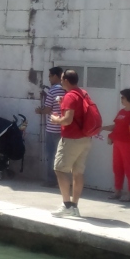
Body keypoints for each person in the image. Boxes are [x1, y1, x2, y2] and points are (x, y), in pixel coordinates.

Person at [50, 69, 94, 218]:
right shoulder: (82, 93)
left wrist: (56, 120)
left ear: (66, 81)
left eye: (62, 79)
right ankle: (74, 207)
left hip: (71, 139)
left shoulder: (70, 96)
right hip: (85, 138)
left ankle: (66, 205)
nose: (60, 81)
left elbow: (68, 120)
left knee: (59, 169)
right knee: (78, 172)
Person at [35, 67, 66, 186]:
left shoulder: (53, 91)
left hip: (53, 128)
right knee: (60, 155)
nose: (49, 79)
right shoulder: (66, 90)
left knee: (51, 154)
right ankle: (61, 180)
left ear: (56, 76)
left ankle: (51, 180)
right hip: (63, 127)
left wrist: (40, 111)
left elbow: (48, 109)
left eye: (50, 76)